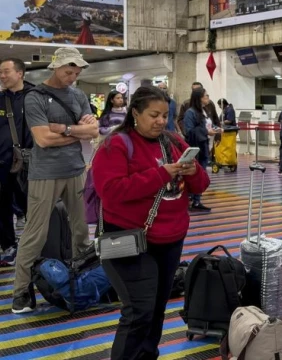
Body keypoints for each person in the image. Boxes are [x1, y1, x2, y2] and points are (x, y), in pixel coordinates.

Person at [93, 86, 210, 360]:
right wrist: (160, 175)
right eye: (153, 115)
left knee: (156, 308)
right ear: (135, 113)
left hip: (170, 240)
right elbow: (110, 190)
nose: (160, 121)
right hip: (129, 238)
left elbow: (201, 185)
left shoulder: (172, 141)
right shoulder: (117, 144)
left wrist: (193, 172)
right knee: (139, 310)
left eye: (164, 115)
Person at [12, 47, 99, 314]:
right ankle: (21, 292)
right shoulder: (35, 97)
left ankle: (79, 283)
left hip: (75, 170)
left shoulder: (78, 95)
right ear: (55, 67)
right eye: (68, 71)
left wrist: (63, 128)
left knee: (82, 230)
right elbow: (42, 139)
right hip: (44, 173)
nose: (72, 77)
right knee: (35, 234)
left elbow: (94, 130)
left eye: (76, 72)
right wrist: (78, 132)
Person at [0, 58, 34, 266]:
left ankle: (34, 247)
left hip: (31, 163)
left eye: (6, 72)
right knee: (2, 206)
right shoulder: (0, 99)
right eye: (0, 73)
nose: (2, 76)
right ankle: (9, 247)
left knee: (33, 207)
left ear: (20, 73)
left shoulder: (36, 96)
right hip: (3, 163)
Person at [181, 88, 218, 212]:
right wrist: (206, 131)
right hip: (195, 147)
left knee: (201, 173)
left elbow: (207, 126)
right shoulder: (190, 113)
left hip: (204, 145)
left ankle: (197, 200)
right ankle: (191, 199)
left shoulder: (204, 111)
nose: (208, 97)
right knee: (194, 172)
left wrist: (215, 130)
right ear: (199, 98)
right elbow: (189, 131)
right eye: (206, 96)